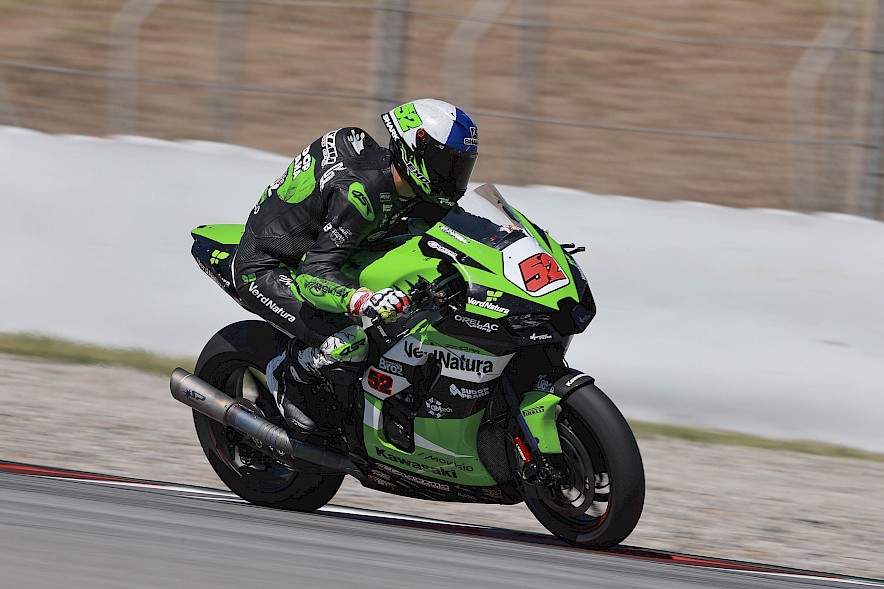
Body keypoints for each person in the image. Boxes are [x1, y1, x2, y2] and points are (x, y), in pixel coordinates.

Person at [232, 99, 479, 432]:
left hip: (329, 250)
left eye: (461, 167)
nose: (454, 178)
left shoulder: (408, 186)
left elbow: (454, 224)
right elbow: (313, 274)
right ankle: (287, 372)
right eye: (447, 165)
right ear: (414, 151)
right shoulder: (360, 195)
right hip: (270, 266)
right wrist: (362, 299)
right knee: (350, 344)